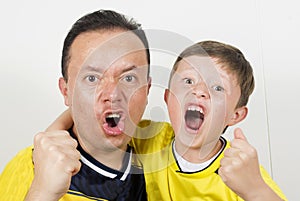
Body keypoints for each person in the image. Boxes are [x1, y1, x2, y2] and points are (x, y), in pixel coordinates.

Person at [47, 41, 287, 200]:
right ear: (168, 97)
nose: (199, 91)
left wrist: (255, 190)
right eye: (189, 81)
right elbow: (93, 115)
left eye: (216, 87)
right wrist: (52, 134)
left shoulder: (242, 173)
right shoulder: (148, 138)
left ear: (236, 115)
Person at [0, 9, 151, 201]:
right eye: (92, 78)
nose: (112, 95)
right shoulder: (29, 170)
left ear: (147, 89)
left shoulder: (164, 156)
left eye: (128, 78)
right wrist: (42, 192)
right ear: (66, 91)